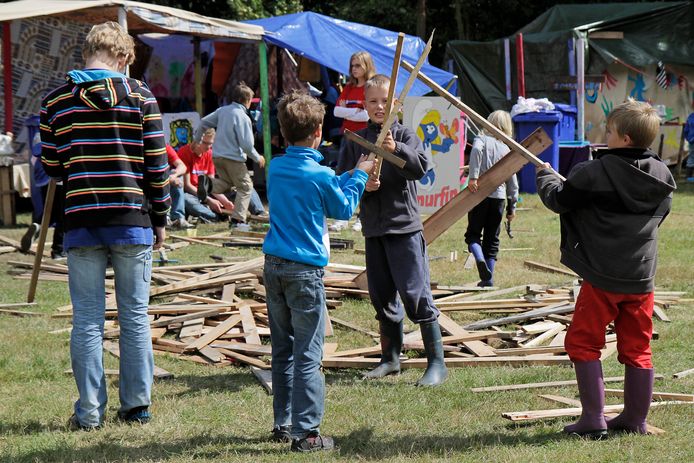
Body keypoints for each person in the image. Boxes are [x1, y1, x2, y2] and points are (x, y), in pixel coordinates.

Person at [40, 21, 171, 430]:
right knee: (134, 316)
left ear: (89, 53)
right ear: (122, 57)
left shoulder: (55, 103)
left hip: (81, 220)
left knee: (87, 320)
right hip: (132, 219)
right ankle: (136, 406)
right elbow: (157, 166)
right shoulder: (141, 97)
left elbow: (51, 167)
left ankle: (89, 412)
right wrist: (162, 217)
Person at [535, 98, 676, 438]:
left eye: (609, 130)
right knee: (638, 347)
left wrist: (544, 177)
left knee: (583, 343)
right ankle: (635, 419)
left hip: (601, 278)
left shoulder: (592, 172)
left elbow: (560, 201)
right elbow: (659, 216)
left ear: (625, 138)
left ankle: (594, 419)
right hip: (641, 279)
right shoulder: (663, 176)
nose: (605, 135)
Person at [263, 91, 372, 452]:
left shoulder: (276, 168)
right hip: (305, 271)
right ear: (319, 131)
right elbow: (342, 209)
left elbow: (319, 190)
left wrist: (346, 178)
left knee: (283, 348)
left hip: (274, 267)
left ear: (282, 132)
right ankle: (307, 433)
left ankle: (283, 423)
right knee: (309, 352)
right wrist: (358, 176)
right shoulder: (320, 173)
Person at [339, 74, 448, 386]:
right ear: (363, 104)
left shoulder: (405, 135)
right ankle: (390, 359)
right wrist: (363, 184)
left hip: (404, 229)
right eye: (372, 101)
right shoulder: (355, 140)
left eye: (385, 100)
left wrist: (396, 148)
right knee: (381, 295)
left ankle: (437, 363)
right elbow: (342, 179)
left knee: (415, 293)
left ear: (395, 104)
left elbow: (420, 167)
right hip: (374, 229)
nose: (379, 106)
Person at [195, 83, 266, 231]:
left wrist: (196, 140)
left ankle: (209, 184)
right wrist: (257, 157)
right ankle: (238, 220)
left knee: (227, 183)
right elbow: (246, 144)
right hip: (233, 158)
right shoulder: (243, 116)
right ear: (246, 100)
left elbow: (203, 122)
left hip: (217, 156)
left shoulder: (222, 111)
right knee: (246, 187)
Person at [465, 110, 518, 287]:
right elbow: (513, 182)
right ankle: (489, 278)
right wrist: (512, 208)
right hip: (499, 199)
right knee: (492, 239)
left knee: (472, 234)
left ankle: (479, 259)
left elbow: (477, 150)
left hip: (479, 195)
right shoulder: (506, 148)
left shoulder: (482, 139)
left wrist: (473, 177)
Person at [330, 51, 376, 232]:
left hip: (365, 138)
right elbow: (336, 112)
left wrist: (350, 111)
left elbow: (366, 115)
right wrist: (355, 112)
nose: (354, 69)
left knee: (364, 175)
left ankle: (361, 217)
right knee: (344, 173)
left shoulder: (370, 87)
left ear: (366, 65)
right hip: (347, 136)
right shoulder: (348, 87)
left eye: (358, 65)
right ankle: (343, 216)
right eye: (352, 66)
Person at [20, 117, 66, 259]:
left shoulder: (39, 132)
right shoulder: (59, 128)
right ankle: (58, 250)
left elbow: (35, 156)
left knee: (49, 211)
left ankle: (37, 224)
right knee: (62, 216)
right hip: (58, 178)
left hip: (43, 177)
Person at [177, 128, 235, 223]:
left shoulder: (210, 153)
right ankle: (217, 217)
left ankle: (259, 212)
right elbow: (187, 186)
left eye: (211, 143)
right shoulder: (184, 153)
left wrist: (225, 202)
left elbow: (211, 184)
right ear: (197, 140)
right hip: (191, 193)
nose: (208, 147)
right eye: (205, 143)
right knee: (186, 200)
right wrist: (208, 200)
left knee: (246, 188)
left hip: (205, 192)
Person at [166, 144, 193, 229]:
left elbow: (182, 166)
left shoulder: (165, 147)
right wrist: (169, 180)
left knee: (178, 177)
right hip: (147, 184)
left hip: (164, 181)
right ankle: (165, 218)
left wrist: (173, 176)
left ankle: (178, 218)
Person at [684, 110, 694, 182]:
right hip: (692, 141)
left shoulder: (690, 116)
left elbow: (686, 130)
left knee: (691, 158)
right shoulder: (690, 117)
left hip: (691, 141)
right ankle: (689, 177)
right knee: (691, 158)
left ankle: (688, 177)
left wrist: (688, 138)